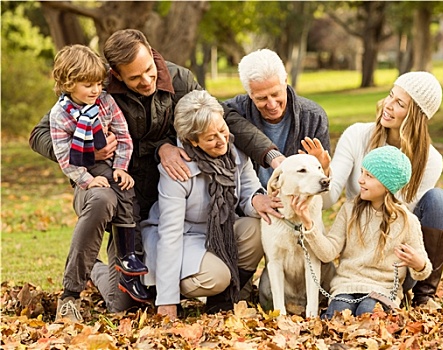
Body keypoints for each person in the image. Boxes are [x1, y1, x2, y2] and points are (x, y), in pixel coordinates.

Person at [29, 29, 283, 315]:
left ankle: (222, 291)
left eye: (149, 69)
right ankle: (97, 272)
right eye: (135, 78)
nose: (147, 80)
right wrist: (87, 151)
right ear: (117, 74)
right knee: (122, 304)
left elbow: (217, 117)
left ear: (152, 54)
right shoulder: (100, 88)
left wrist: (272, 156)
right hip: (122, 193)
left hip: (166, 190)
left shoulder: (179, 79)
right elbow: (40, 134)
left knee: (170, 263)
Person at [304, 71, 443, 307]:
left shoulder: (430, 160)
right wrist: (323, 173)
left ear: (415, 116)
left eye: (399, 103)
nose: (388, 105)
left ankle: (424, 296)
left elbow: (401, 217)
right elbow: (329, 199)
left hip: (391, 265)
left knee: (440, 201)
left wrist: (412, 263)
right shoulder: (357, 136)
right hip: (356, 256)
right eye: (390, 96)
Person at [140, 90, 273, 320]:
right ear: (193, 141)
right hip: (182, 237)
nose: (222, 141)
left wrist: (256, 200)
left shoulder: (234, 151)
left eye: (222, 130)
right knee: (217, 276)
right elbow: (169, 236)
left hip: (218, 231)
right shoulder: (177, 169)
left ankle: (221, 301)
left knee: (257, 229)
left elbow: (248, 190)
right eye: (211, 138)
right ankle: (180, 289)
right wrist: (167, 300)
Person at [49, 45, 147, 322]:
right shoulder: (60, 115)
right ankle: (70, 294)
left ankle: (107, 266)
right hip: (87, 182)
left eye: (98, 84)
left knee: (123, 305)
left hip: (116, 176)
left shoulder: (105, 102)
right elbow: (65, 159)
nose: (94, 90)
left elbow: (124, 136)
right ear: (68, 83)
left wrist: (120, 168)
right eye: (87, 85)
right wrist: (89, 178)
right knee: (103, 197)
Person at [291, 146, 432, 318]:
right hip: (346, 286)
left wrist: (418, 263)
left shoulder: (406, 221)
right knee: (339, 315)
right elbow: (328, 254)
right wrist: (308, 224)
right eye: (362, 172)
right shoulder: (349, 210)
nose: (360, 180)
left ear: (387, 185)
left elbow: (424, 269)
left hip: (382, 289)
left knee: (367, 311)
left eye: (369, 176)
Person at [224, 48, 330, 189]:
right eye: (262, 98)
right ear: (249, 93)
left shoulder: (313, 117)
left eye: (276, 94)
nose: (272, 104)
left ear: (285, 81)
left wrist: (324, 168)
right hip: (247, 205)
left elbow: (324, 189)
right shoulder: (231, 113)